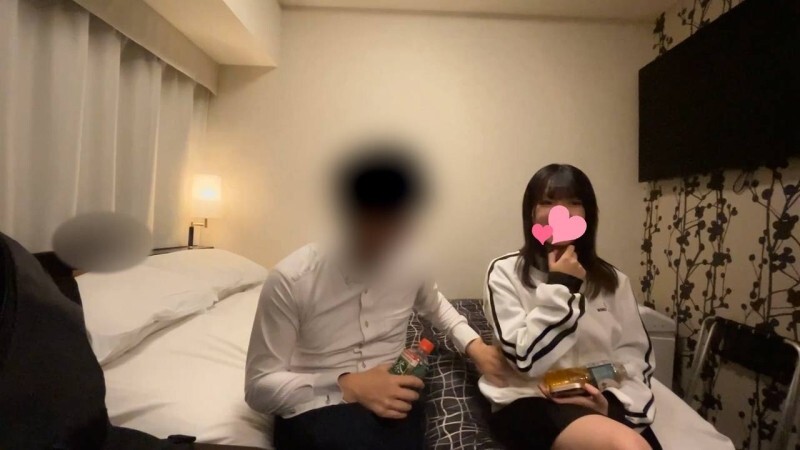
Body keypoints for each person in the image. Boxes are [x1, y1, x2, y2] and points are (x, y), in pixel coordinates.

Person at [245, 141, 508, 450]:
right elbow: (258, 387)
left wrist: (475, 346)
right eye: (375, 221)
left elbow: (435, 305)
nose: (389, 237)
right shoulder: (291, 279)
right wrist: (347, 384)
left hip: (395, 395)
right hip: (316, 407)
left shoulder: (412, 260)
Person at [480, 164, 662, 450]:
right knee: (628, 447)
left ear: (588, 213)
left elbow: (636, 359)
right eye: (547, 202)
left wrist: (611, 405)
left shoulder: (614, 281)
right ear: (531, 213)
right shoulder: (504, 273)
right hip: (531, 400)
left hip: (601, 399)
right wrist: (562, 285)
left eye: (574, 202)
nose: (560, 212)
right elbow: (526, 361)